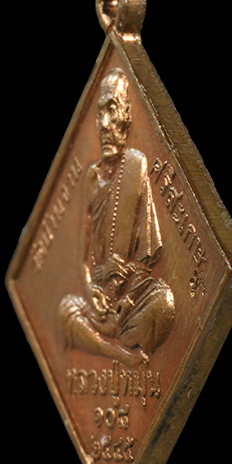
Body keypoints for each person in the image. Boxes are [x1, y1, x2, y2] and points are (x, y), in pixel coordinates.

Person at [59, 68, 175, 367]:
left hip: (128, 302)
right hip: (97, 305)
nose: (104, 124)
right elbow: (84, 261)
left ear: (127, 115)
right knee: (66, 309)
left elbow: (148, 255)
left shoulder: (136, 165)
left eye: (112, 110)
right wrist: (92, 291)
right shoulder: (92, 177)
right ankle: (121, 354)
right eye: (100, 114)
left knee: (163, 303)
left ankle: (113, 338)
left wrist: (129, 298)